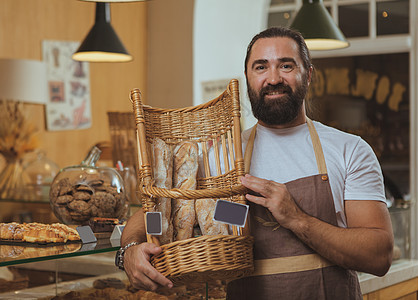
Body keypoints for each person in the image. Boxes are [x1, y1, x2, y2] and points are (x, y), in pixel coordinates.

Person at [119, 26, 394, 299]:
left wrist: (296, 218)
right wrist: (129, 249)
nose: (273, 78)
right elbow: (159, 211)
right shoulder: (222, 156)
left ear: (308, 75)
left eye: (286, 66)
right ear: (248, 77)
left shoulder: (349, 150)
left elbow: (378, 256)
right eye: (260, 67)